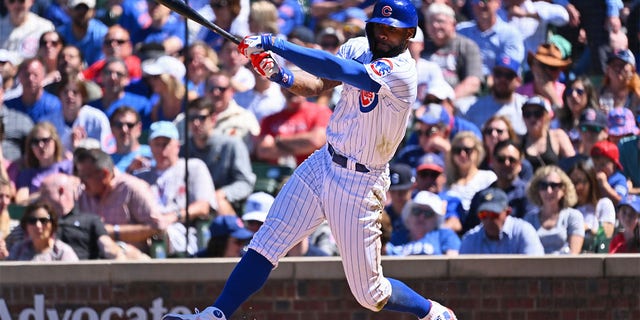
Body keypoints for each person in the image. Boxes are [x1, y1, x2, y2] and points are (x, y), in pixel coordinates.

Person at [162, 0, 457, 319]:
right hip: (324, 162)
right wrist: (280, 75)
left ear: (409, 34)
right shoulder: (359, 45)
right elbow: (319, 83)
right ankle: (215, 314)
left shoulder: (402, 71)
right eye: (379, 27)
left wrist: (275, 43)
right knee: (266, 241)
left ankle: (432, 313)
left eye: (393, 30)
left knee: (371, 294)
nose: (384, 35)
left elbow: (343, 71)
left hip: (360, 182)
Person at [134, 121, 217, 255]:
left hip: (180, 229)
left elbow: (203, 206)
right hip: (144, 228)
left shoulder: (193, 167)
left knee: (158, 233)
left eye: (166, 144)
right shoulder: (141, 176)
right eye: (157, 144)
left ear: (177, 146)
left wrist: (173, 216)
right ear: (150, 147)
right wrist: (128, 172)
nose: (162, 150)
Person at [74, 147, 163, 253]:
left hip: (131, 263)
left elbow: (157, 227)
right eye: (80, 176)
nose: (82, 182)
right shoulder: (82, 194)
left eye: (86, 176)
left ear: (104, 175)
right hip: (92, 263)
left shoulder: (132, 188)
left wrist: (114, 232)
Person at [39, 172, 143, 260]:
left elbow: (107, 246)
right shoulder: (37, 222)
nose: (40, 199)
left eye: (45, 193)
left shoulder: (90, 220)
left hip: (84, 274)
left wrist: (120, 254)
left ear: (61, 191)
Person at [180, 97, 255, 216]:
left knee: (218, 201)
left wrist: (222, 193)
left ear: (213, 119)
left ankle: (234, 234)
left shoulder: (231, 145)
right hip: (191, 204)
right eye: (191, 118)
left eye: (201, 118)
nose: (196, 123)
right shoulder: (183, 149)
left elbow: (245, 182)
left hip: (222, 204)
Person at [254, 87, 332, 167]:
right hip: (278, 174)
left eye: (297, 87)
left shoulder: (321, 112)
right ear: (281, 90)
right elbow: (263, 151)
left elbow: (315, 141)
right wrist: (303, 145)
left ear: (306, 90)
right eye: (288, 87)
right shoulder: (270, 119)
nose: (293, 91)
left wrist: (278, 140)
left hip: (314, 171)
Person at [422, 2, 483, 102]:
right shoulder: (422, 47)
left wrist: (448, 100)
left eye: (440, 21)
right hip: (424, 101)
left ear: (453, 24)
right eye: (430, 22)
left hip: (457, 101)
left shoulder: (467, 46)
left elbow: (473, 82)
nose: (435, 25)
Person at [41, 77, 114, 154]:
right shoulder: (47, 122)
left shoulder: (98, 118)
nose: (69, 96)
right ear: (59, 96)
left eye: (75, 92)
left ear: (83, 96)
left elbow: (108, 150)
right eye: (65, 92)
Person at [460, 188, 544, 255]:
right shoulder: (471, 239)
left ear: (507, 212)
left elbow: (535, 269)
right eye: (484, 215)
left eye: (494, 215)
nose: (489, 220)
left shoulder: (523, 232)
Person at [524, 165, 585, 254]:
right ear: (537, 190)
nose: (549, 191)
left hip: (566, 266)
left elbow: (574, 254)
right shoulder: (529, 219)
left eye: (554, 185)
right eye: (543, 186)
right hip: (535, 266)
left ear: (563, 189)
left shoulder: (573, 216)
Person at [456, 0, 525, 78]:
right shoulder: (461, 31)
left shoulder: (511, 34)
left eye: (486, 0)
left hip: (497, 85)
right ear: (472, 5)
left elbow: (508, 71)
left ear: (498, 4)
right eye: (476, 0)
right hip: (464, 82)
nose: (481, 4)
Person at [464, 54, 528, 135]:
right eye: (499, 74)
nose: (502, 79)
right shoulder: (476, 107)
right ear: (492, 77)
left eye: (508, 75)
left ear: (518, 81)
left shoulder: (526, 107)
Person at [14, 122, 75, 204]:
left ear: (55, 141)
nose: (40, 145)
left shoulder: (68, 167)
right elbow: (21, 202)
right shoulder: (27, 174)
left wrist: (37, 196)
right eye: (35, 142)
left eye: (45, 140)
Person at [385, 190, 460, 256]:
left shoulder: (445, 235)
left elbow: (454, 263)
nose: (421, 217)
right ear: (409, 214)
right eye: (417, 211)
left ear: (436, 219)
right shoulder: (397, 236)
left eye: (428, 213)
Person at [443, 131, 497, 214]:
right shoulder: (446, 181)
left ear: (477, 151)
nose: (462, 154)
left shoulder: (488, 177)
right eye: (457, 150)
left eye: (467, 150)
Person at [567, 160, 616, 253]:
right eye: (572, 182)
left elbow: (606, 236)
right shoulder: (567, 210)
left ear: (591, 181)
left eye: (581, 181)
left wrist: (586, 229)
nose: (577, 187)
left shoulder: (603, 204)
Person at [4, 201, 78, 261]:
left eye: (43, 220)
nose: (38, 225)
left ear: (52, 224)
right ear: (26, 226)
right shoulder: (18, 250)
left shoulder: (62, 252)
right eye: (32, 221)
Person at [520, 95, 575, 172]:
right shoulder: (519, 141)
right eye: (527, 114)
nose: (532, 118)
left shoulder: (558, 136)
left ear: (547, 116)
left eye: (537, 114)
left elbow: (573, 164)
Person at [5, 58, 62, 123]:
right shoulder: (9, 107)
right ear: (19, 77)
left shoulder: (53, 105)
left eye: (35, 75)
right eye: (27, 75)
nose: (30, 79)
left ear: (43, 76)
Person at [517, 43, 571, 109]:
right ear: (533, 66)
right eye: (543, 66)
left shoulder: (567, 93)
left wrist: (553, 97)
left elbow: (565, 118)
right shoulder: (519, 93)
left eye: (553, 68)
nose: (547, 72)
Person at [56, 0, 108, 66]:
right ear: (69, 11)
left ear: (93, 12)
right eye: (78, 8)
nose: (81, 12)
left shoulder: (102, 34)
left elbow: (101, 63)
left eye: (85, 9)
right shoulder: (60, 34)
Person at [554, 76, 600, 149]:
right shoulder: (558, 123)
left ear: (588, 96)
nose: (574, 95)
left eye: (579, 92)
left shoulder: (597, 122)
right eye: (569, 92)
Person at [385, 163, 414, 246]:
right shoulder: (383, 216)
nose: (398, 196)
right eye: (393, 191)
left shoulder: (420, 212)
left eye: (402, 191)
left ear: (412, 188)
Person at [590, 140, 627, 205]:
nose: (598, 168)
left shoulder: (619, 179)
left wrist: (604, 184)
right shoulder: (592, 176)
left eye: (602, 164)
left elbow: (620, 200)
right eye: (595, 164)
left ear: (614, 165)